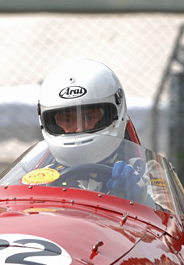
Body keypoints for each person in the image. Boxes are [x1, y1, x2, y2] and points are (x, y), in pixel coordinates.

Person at [36, 58, 148, 201]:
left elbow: (168, 219)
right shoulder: (36, 178)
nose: (79, 128)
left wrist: (143, 198)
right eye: (68, 120)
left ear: (116, 112)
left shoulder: (147, 171)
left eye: (89, 117)